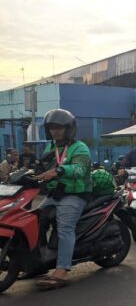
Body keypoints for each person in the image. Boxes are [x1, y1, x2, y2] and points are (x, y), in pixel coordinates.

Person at [33, 109, 93, 289]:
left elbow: (80, 170)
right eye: (52, 128)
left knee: (65, 227)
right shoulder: (50, 147)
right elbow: (44, 167)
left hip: (75, 194)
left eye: (59, 128)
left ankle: (62, 270)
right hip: (55, 194)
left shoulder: (80, 147)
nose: (55, 131)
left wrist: (59, 170)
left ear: (68, 129)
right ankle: (38, 261)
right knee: (35, 219)